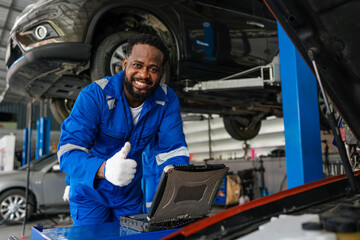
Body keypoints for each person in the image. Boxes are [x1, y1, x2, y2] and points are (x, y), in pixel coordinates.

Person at [57, 33, 189, 226]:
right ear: (125, 64)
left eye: (153, 69)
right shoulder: (95, 96)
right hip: (89, 194)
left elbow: (172, 152)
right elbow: (68, 152)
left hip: (129, 195)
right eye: (137, 65)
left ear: (161, 74)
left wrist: (178, 192)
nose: (143, 75)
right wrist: (104, 169)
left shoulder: (167, 101)